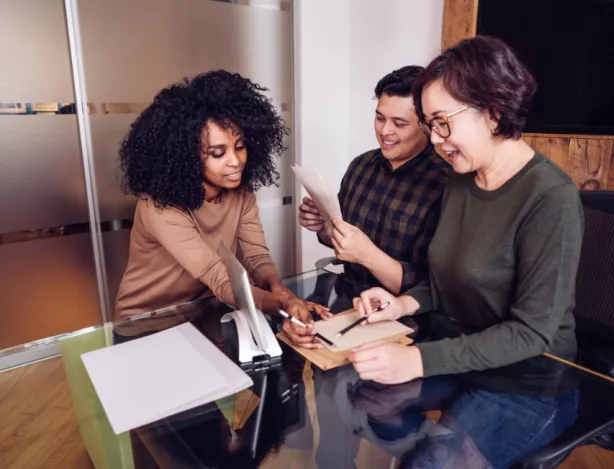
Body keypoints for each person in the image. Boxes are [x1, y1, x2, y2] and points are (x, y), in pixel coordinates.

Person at [349, 36, 583, 467]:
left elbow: (532, 334)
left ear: (493, 113)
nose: (436, 139)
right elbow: (445, 281)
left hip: (529, 381)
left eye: (442, 122)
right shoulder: (461, 179)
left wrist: (417, 359)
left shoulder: (551, 197)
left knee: (430, 461)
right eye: (429, 123)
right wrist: (401, 303)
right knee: (365, 397)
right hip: (466, 357)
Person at [115, 71, 329, 325]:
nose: (235, 161)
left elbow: (255, 256)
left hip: (206, 313)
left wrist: (279, 290)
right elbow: (218, 276)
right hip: (147, 321)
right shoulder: (160, 206)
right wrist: (282, 305)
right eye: (218, 153)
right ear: (187, 156)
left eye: (239, 146)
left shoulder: (241, 192)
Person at [297, 66, 449, 295]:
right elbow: (340, 242)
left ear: (427, 125)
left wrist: (369, 256)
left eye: (399, 124)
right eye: (379, 118)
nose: (385, 131)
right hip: (349, 301)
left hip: (410, 319)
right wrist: (323, 227)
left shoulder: (445, 185)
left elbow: (433, 287)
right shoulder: (361, 167)